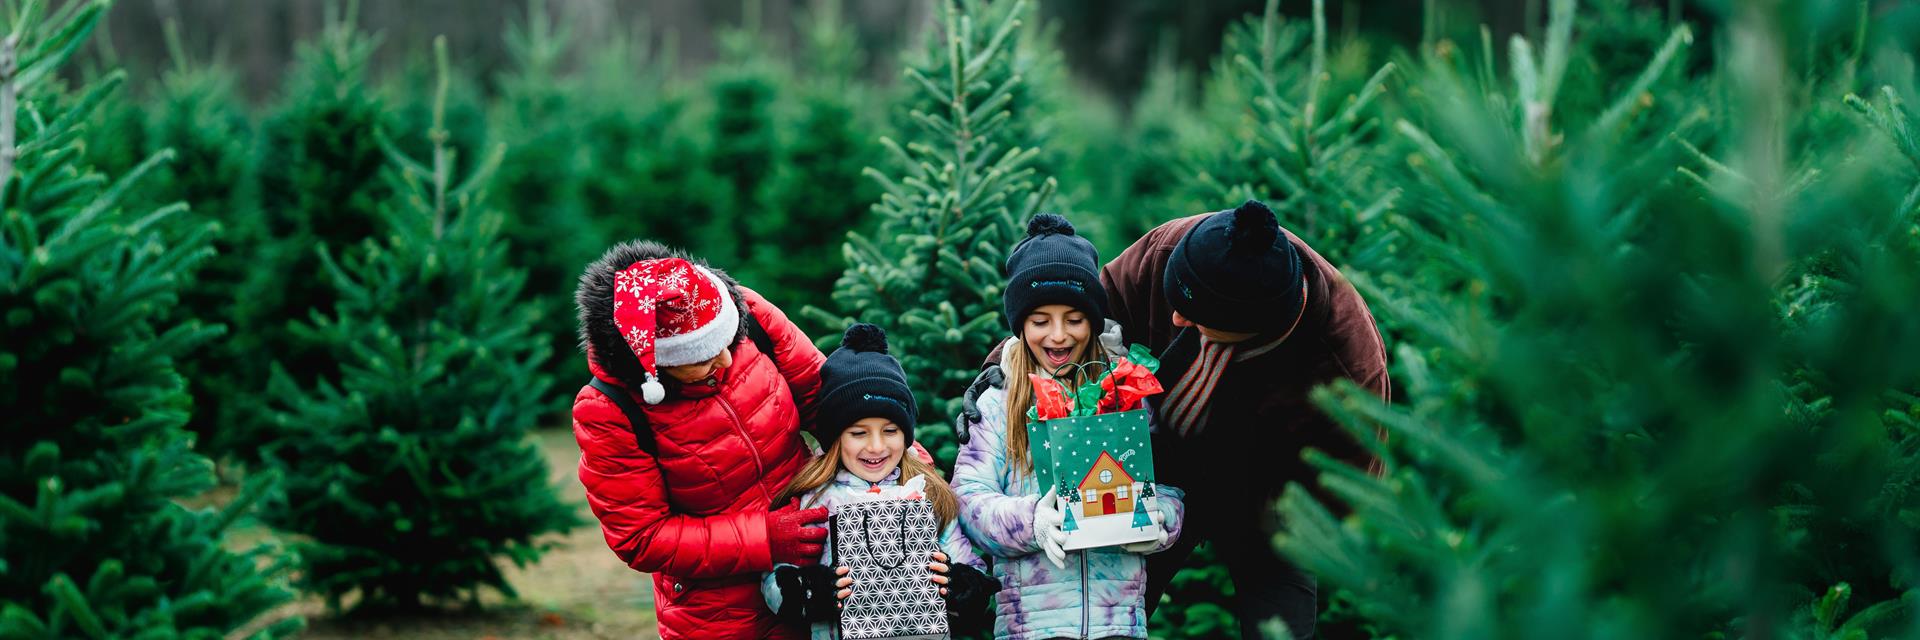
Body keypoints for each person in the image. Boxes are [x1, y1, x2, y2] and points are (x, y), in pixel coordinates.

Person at [1101, 200, 1390, 639]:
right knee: (1110, 610)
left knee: (1280, 627)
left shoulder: (1345, 360)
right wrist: (1003, 374)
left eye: (1197, 317)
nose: (1176, 318)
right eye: (1175, 299)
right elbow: (1080, 314)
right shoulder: (1173, 247)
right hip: (1151, 468)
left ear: (1256, 324)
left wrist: (1269, 520)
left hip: (1267, 499)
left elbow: (1347, 483)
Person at [572, 240, 830, 640]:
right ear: (656, 366)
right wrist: (766, 537)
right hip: (717, 611)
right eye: (703, 358)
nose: (726, 360)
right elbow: (641, 536)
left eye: (728, 342)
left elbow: (824, 396)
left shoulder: (749, 315)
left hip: (814, 568)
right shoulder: (609, 410)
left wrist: (895, 455)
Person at [952, 214, 1187, 640]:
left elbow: (1170, 484)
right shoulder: (998, 403)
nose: (1058, 336)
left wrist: (1158, 520)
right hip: (1032, 625)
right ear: (1020, 325)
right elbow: (968, 500)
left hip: (1118, 623)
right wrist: (1033, 522)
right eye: (1040, 320)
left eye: (1074, 319)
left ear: (1093, 322)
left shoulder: (1125, 395)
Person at [760, 323, 1000, 638]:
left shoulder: (926, 494)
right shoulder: (816, 499)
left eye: (890, 431)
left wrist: (961, 584)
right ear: (835, 439)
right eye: (859, 433)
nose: (875, 446)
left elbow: (967, 565)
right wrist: (809, 591)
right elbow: (775, 579)